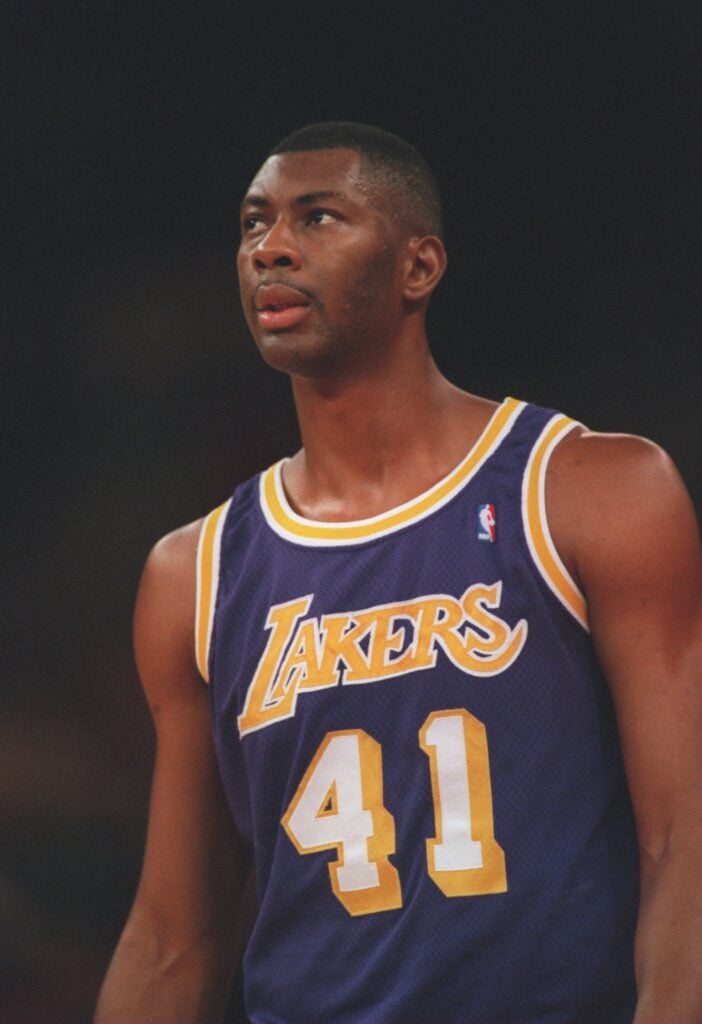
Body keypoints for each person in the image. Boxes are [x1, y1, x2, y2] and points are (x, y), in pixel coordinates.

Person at [94, 122, 702, 1024]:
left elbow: (682, 840)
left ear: (419, 268)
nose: (272, 248)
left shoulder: (588, 490)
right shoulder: (194, 572)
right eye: (253, 224)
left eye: (320, 217)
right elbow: (172, 937)